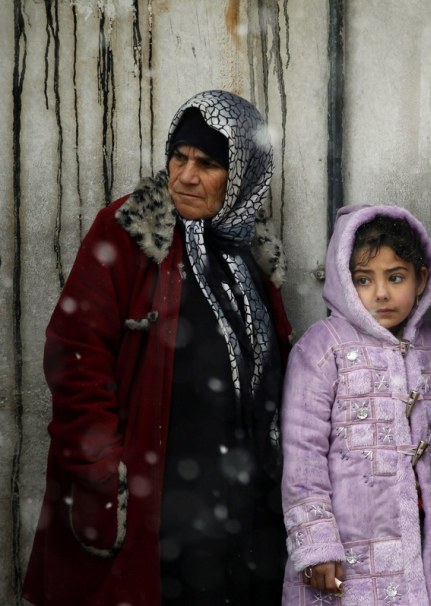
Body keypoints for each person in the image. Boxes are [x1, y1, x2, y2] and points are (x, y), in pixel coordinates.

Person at [23, 90, 292, 606]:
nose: (186, 176)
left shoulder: (250, 252)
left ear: (241, 175)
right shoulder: (131, 230)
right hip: (157, 500)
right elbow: (74, 351)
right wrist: (105, 468)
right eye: (180, 157)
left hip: (241, 506)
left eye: (208, 163)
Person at [280, 205, 431, 605]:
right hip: (344, 556)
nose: (380, 294)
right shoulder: (322, 347)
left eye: (395, 277)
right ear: (344, 284)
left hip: (421, 549)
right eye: (364, 280)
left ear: (422, 280)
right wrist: (316, 546)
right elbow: (303, 455)